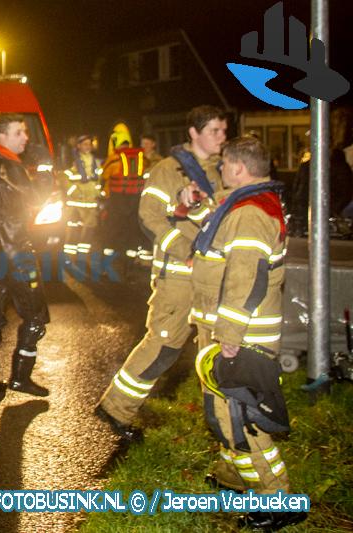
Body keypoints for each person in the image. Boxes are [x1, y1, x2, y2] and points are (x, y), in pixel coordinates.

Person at [192, 136, 306, 531]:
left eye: (225, 164)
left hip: (241, 336)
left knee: (241, 417)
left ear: (239, 168)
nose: (220, 169)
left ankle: (278, 501)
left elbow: (246, 278)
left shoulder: (250, 213)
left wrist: (229, 333)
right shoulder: (247, 205)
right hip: (233, 331)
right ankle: (233, 478)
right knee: (225, 411)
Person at [95, 105, 227, 441]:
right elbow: (149, 217)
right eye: (214, 130)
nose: (221, 137)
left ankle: (222, 427)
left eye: (224, 131)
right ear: (194, 133)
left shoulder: (224, 170)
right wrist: (184, 250)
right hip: (178, 276)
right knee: (164, 345)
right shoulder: (167, 171)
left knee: (215, 349)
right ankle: (116, 408)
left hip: (214, 276)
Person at [0, 113, 51, 399]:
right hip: (17, 254)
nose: (25, 138)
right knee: (36, 317)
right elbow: (38, 198)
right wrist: (45, 171)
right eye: (19, 132)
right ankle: (20, 378)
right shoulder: (8, 167)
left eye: (25, 132)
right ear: (2, 136)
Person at [99, 122, 147, 278]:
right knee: (131, 235)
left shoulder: (113, 159)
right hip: (135, 202)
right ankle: (129, 269)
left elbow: (104, 176)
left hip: (116, 202)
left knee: (110, 235)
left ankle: (106, 268)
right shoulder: (141, 158)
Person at [63, 134, 102, 259]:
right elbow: (64, 178)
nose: (88, 146)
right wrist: (74, 192)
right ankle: (69, 255)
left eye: (89, 144)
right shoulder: (72, 160)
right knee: (73, 226)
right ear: (79, 146)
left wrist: (98, 192)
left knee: (90, 227)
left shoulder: (95, 162)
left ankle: (83, 254)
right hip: (76, 202)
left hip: (91, 201)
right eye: (85, 144)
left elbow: (98, 180)